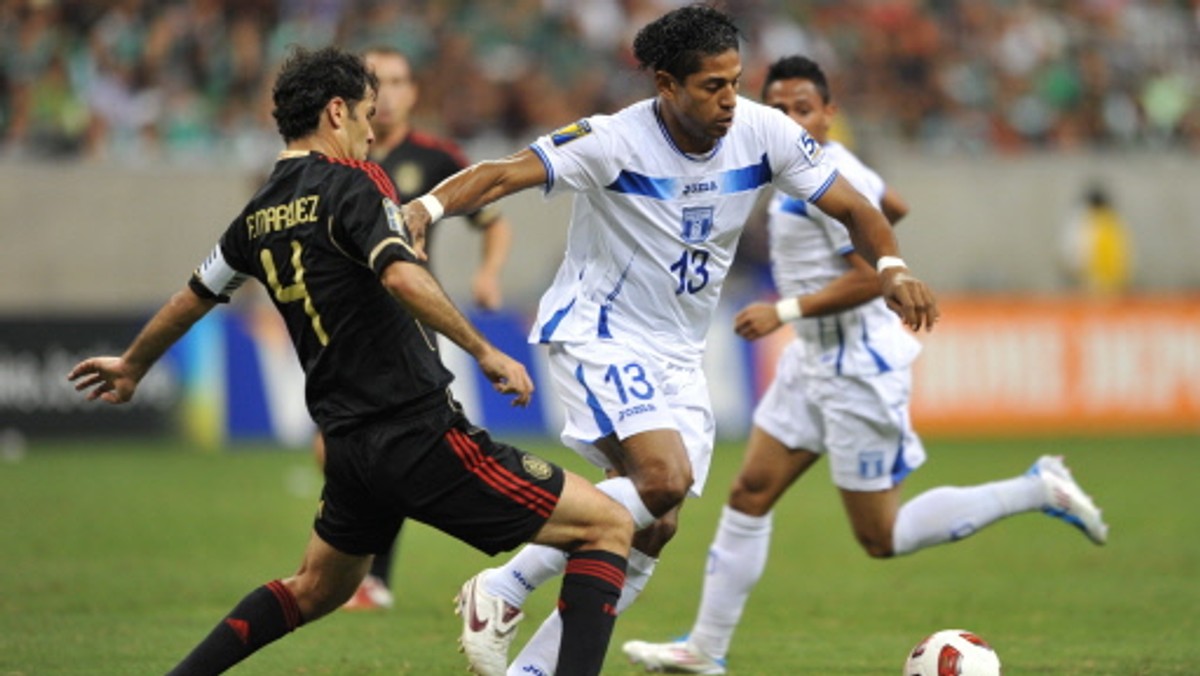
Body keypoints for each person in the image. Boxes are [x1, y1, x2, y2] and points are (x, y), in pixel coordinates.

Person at [397, 7, 940, 676]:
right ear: (665, 83)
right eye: (712, 86)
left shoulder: (762, 132)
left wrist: (891, 267)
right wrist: (423, 210)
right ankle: (504, 587)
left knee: (654, 526)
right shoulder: (613, 141)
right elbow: (504, 172)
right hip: (599, 330)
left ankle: (532, 672)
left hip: (678, 353)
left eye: (735, 83)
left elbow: (858, 208)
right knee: (664, 479)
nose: (729, 102)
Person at [66, 46, 633, 676]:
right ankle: (500, 602)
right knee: (605, 527)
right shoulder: (354, 183)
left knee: (317, 587)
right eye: (366, 113)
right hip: (415, 432)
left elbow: (193, 296)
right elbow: (400, 275)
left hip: (347, 442)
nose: (372, 129)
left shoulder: (255, 215)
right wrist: (485, 350)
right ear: (336, 112)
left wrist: (133, 366)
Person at [621, 55, 1110, 675]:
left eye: (803, 107)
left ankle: (1036, 487)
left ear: (828, 114)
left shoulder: (828, 175)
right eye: (777, 107)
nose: (789, 117)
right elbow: (893, 203)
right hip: (813, 361)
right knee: (748, 494)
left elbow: (871, 275)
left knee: (881, 537)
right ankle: (705, 649)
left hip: (858, 367)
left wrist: (786, 309)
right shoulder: (800, 169)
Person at [330, 45, 516, 612]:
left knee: (383, 446)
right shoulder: (335, 160)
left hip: (409, 316)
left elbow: (493, 220)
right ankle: (357, 575)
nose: (387, 92)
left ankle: (371, 578)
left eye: (398, 80)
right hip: (343, 322)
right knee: (342, 450)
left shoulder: (434, 157)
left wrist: (488, 274)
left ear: (413, 92)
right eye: (376, 82)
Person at [1058, 182, 1132, 297]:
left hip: (1109, 280)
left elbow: (1122, 250)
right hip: (1092, 278)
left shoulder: (1108, 220)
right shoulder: (1086, 220)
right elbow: (1077, 248)